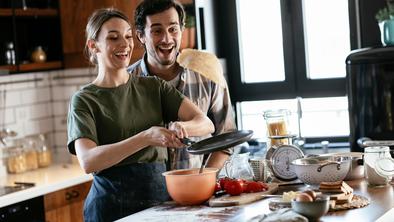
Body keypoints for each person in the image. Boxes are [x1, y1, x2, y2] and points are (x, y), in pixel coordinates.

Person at [67, 8, 214, 222]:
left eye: (128, 36)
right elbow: (88, 161)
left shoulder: (154, 87)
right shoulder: (84, 99)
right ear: (93, 45)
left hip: (159, 204)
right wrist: (145, 138)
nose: (124, 44)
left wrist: (182, 128)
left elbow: (205, 123)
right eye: (113, 37)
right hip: (109, 209)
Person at [128, 0, 237, 170]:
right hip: (143, 193)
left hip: (196, 190)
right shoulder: (125, 82)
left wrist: (203, 179)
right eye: (157, 31)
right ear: (141, 36)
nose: (167, 39)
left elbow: (226, 137)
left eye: (173, 29)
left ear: (182, 30)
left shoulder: (207, 74)